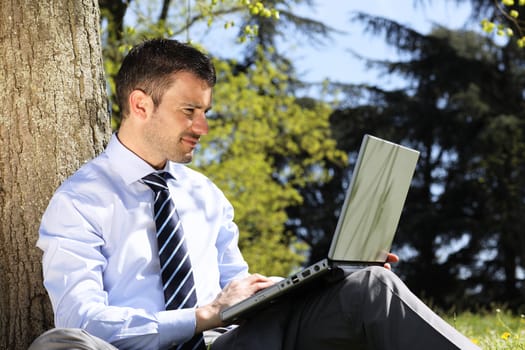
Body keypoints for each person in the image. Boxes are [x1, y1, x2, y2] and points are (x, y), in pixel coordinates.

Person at [30, 38, 479, 350]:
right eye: (190, 111)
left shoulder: (205, 195)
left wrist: (315, 283)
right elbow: (80, 320)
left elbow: (239, 299)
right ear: (141, 105)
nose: (202, 128)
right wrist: (200, 316)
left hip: (230, 349)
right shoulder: (80, 201)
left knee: (369, 284)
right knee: (58, 344)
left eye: (205, 112)